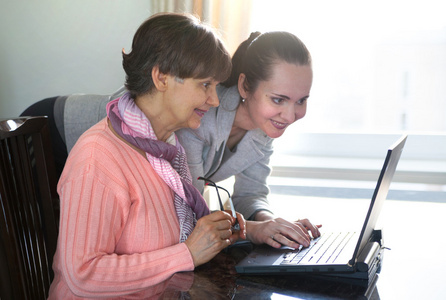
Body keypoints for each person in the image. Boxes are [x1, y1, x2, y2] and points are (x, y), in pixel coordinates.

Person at [48, 13, 246, 299]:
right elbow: (83, 274)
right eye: (205, 85)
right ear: (161, 77)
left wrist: (216, 236)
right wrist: (187, 253)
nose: (214, 100)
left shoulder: (165, 148)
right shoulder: (97, 157)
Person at [176, 31, 321, 250]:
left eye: (301, 100)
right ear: (244, 86)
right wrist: (252, 230)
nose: (290, 116)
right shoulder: (201, 116)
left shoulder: (263, 127)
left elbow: (250, 194)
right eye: (278, 99)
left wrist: (272, 225)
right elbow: (189, 212)